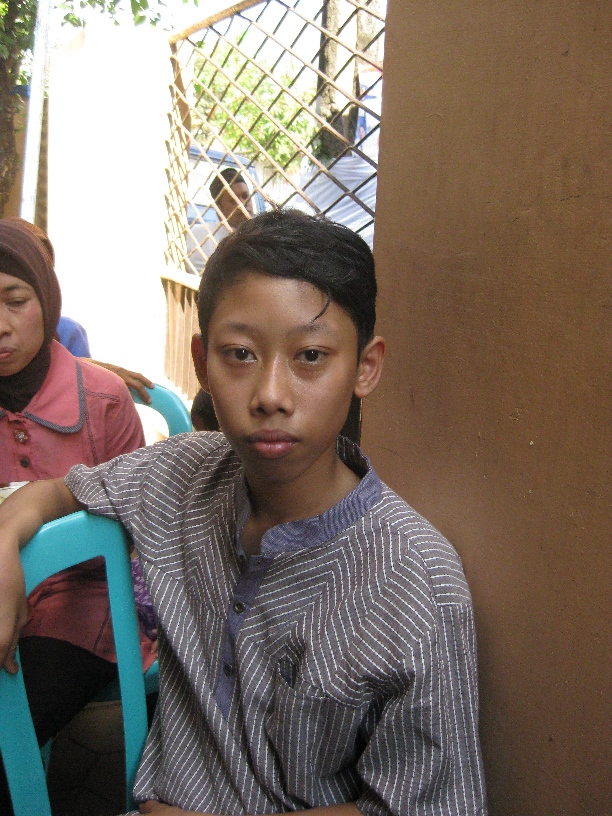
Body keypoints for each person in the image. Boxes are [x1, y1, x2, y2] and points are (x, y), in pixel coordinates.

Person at [0, 210, 487, 816]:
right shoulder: (183, 474)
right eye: (239, 354)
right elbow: (61, 491)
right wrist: (7, 534)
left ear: (365, 367)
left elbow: (424, 807)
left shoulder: (417, 584)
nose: (270, 395)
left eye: (311, 356)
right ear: (202, 361)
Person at [0, 217, 157, 813]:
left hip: (88, 607)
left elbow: (135, 530)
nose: (0, 324)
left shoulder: (105, 401)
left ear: (47, 299)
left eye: (16, 300)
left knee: (7, 735)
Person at [186, 167, 254, 274]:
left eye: (245, 197)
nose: (242, 204)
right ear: (219, 208)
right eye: (233, 200)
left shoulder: (262, 234)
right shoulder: (201, 236)